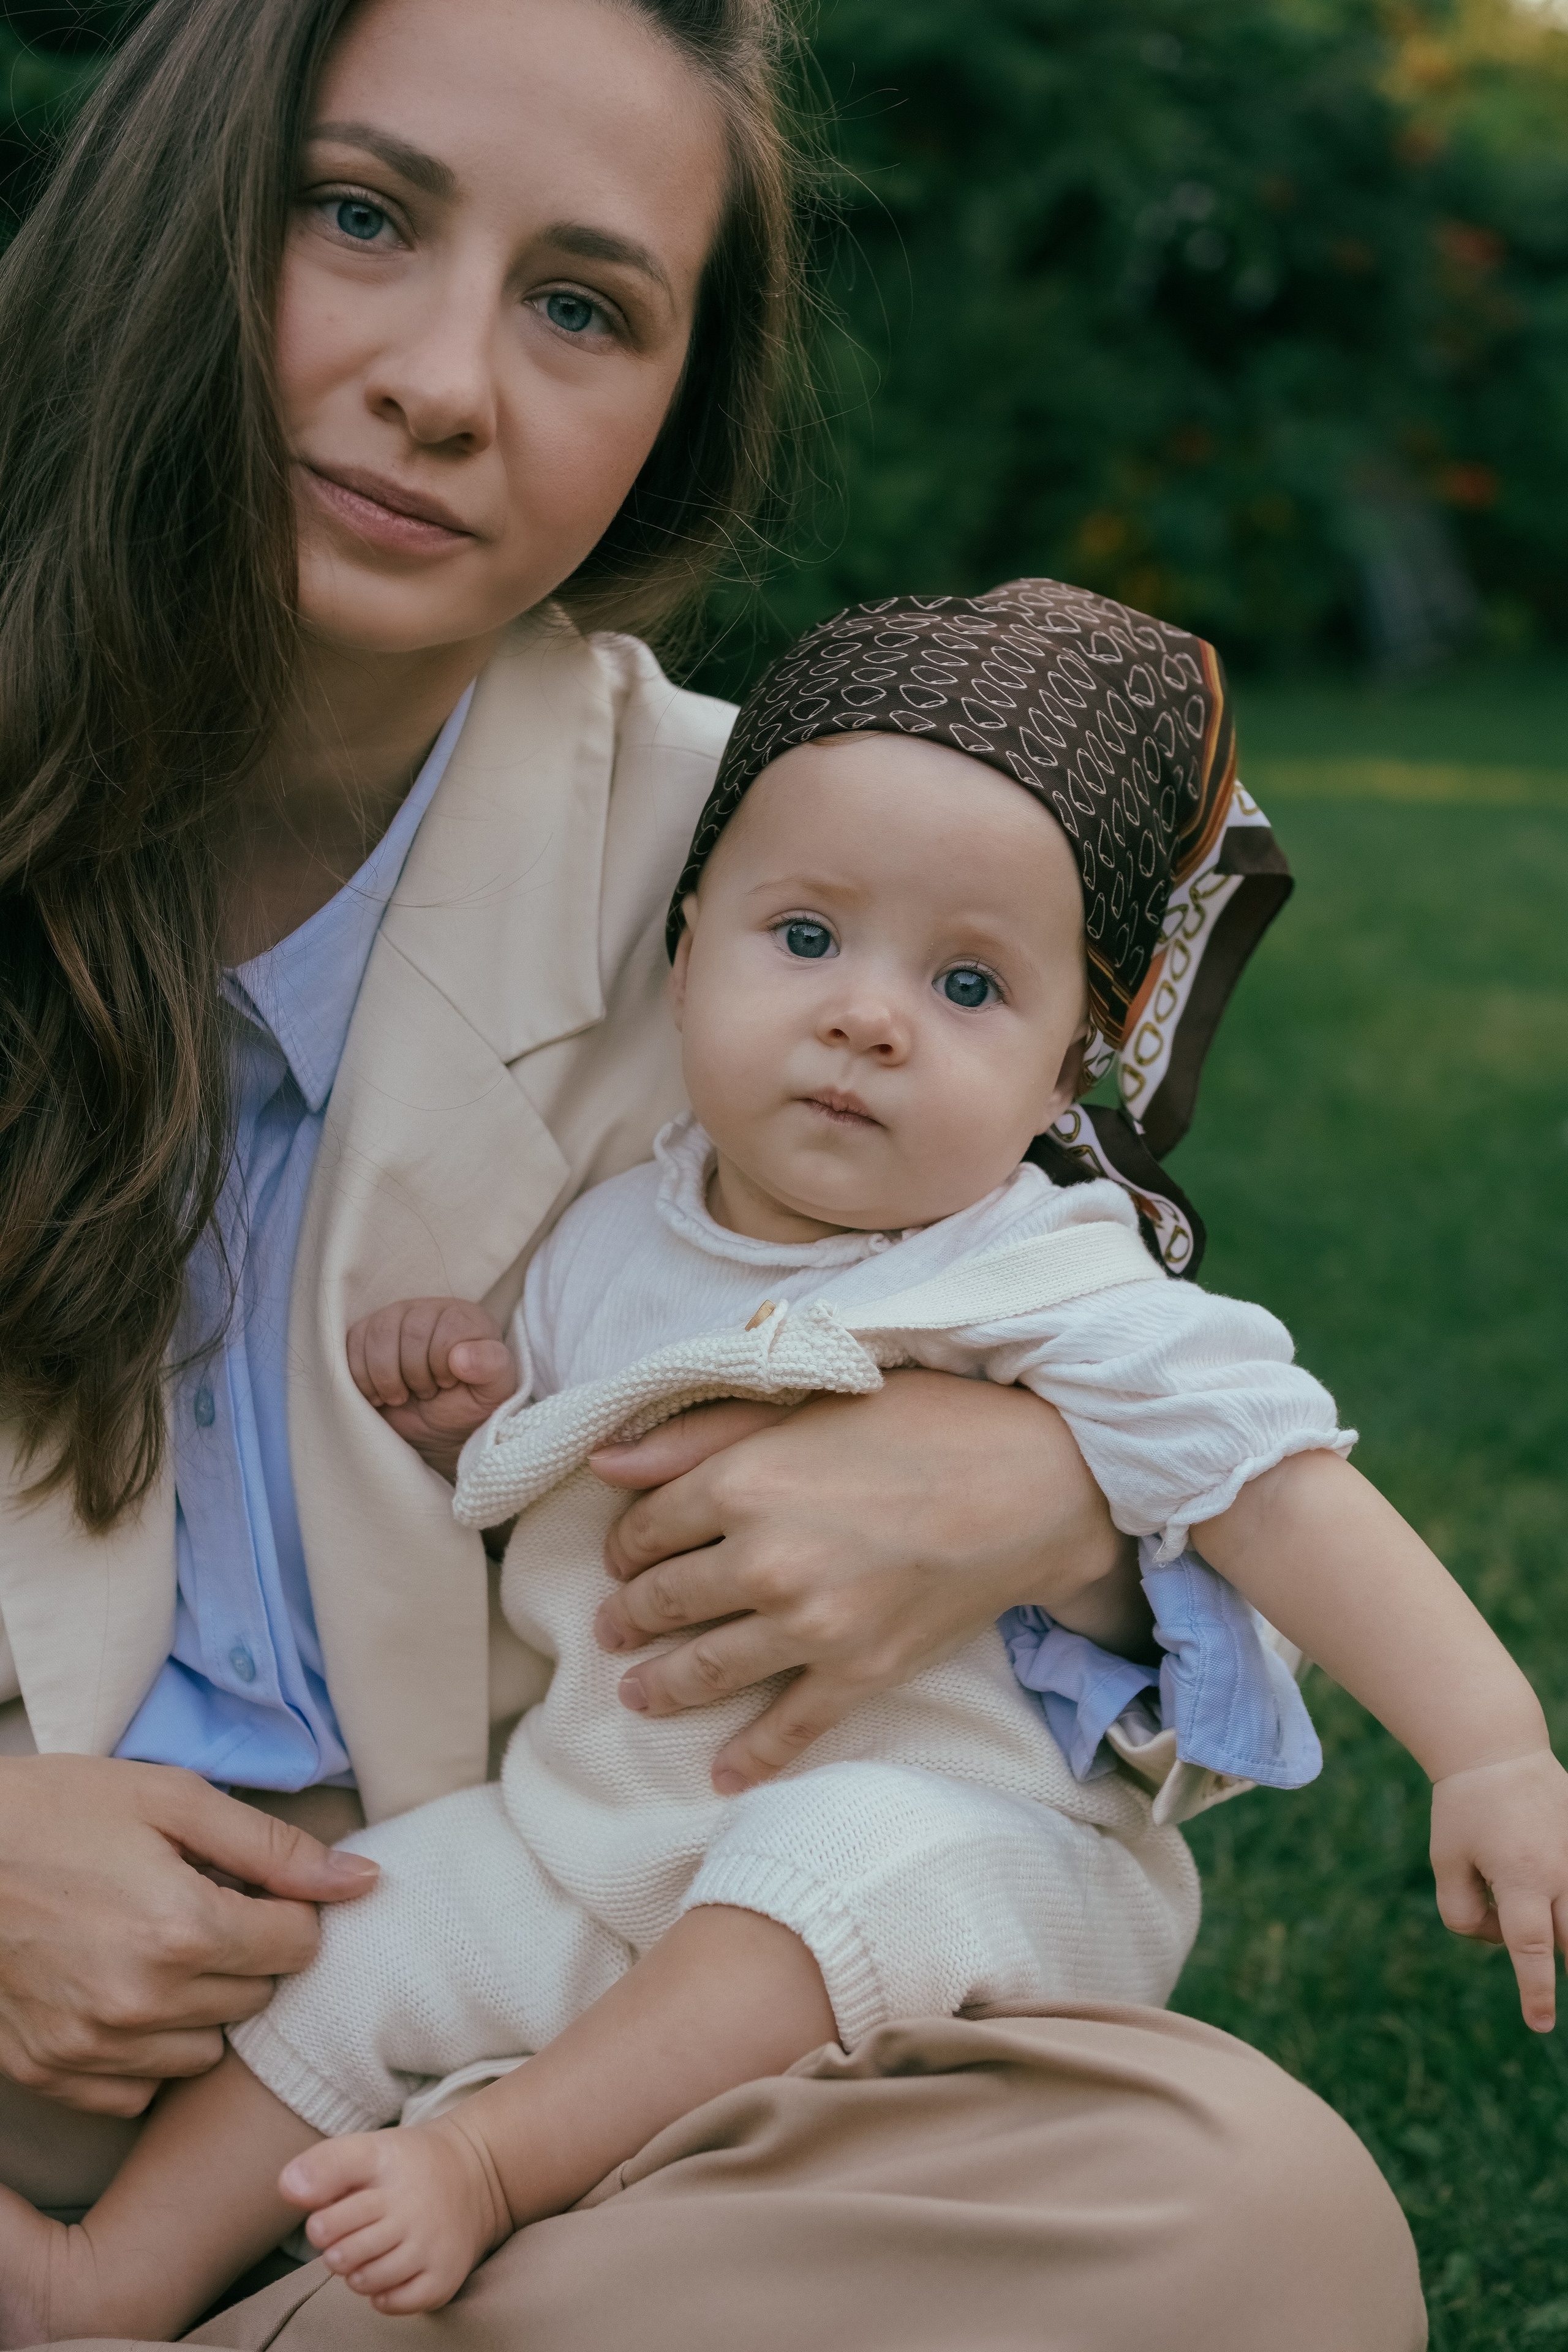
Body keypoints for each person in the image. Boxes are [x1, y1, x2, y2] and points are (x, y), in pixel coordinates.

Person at [0, 2, 1428, 2346]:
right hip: (54, 2055)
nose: (449, 384)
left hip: (565, 2041)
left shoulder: (801, 878)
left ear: (675, 401)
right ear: (180, 209)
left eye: (585, 305)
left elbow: (1123, 1343)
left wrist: (1033, 1487)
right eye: (357, 217)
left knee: (1244, 2219)